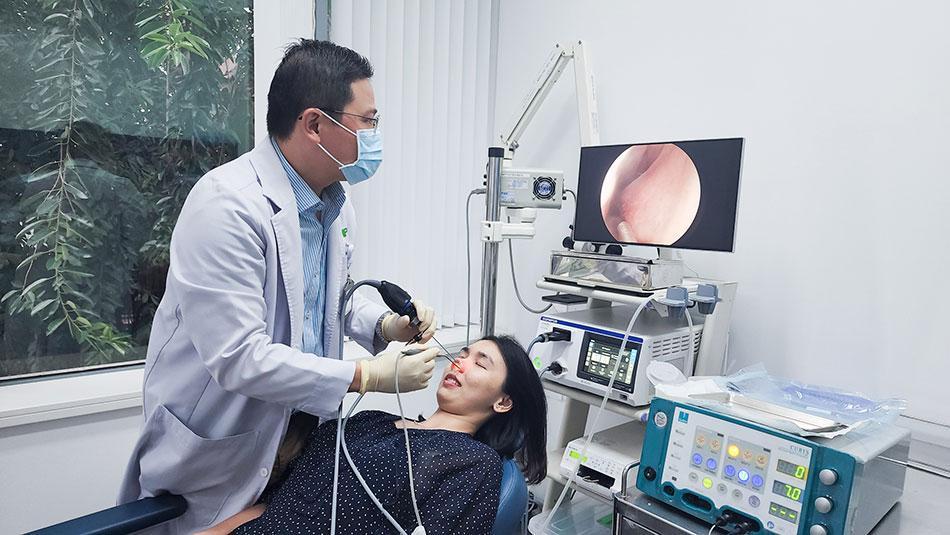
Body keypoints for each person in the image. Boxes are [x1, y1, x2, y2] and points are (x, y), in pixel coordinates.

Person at [117, 39, 442, 533]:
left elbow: (325, 300)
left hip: (300, 440)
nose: (374, 136)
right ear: (314, 124)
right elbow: (239, 356)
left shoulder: (334, 205)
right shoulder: (227, 206)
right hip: (223, 444)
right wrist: (365, 376)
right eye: (367, 121)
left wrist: (385, 325)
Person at [198, 335, 548, 535]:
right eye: (463, 353)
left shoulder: (474, 463)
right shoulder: (370, 420)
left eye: (480, 363)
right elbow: (277, 505)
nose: (459, 363)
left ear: (503, 402)